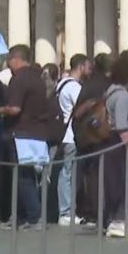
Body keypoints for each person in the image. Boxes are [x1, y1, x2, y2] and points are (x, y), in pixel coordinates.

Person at [0, 45, 51, 228]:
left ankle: (34, 217)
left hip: (21, 133)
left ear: (14, 59)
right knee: (27, 176)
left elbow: (15, 108)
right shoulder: (38, 78)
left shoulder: (19, 79)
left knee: (22, 176)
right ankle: (20, 216)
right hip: (37, 133)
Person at [101, 55, 128, 237]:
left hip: (116, 142)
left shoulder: (111, 92)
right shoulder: (122, 96)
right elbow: (121, 124)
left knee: (120, 181)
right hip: (125, 141)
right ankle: (119, 219)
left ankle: (117, 219)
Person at [54, 54, 89, 225]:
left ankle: (67, 210)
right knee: (68, 173)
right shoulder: (74, 87)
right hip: (71, 135)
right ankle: (66, 212)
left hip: (63, 134)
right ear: (81, 66)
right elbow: (81, 108)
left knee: (67, 173)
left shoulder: (62, 83)